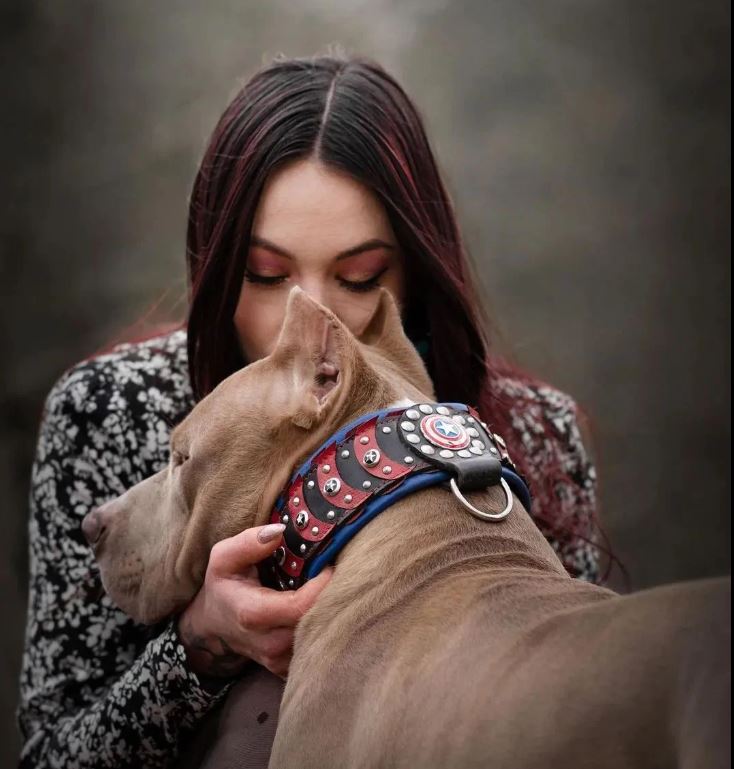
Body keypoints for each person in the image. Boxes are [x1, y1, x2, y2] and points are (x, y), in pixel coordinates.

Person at [16, 52, 603, 768]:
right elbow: (51, 753)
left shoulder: (532, 432)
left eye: (360, 276)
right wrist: (198, 647)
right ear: (217, 264)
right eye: (267, 275)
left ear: (414, 266)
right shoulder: (111, 411)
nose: (312, 321)